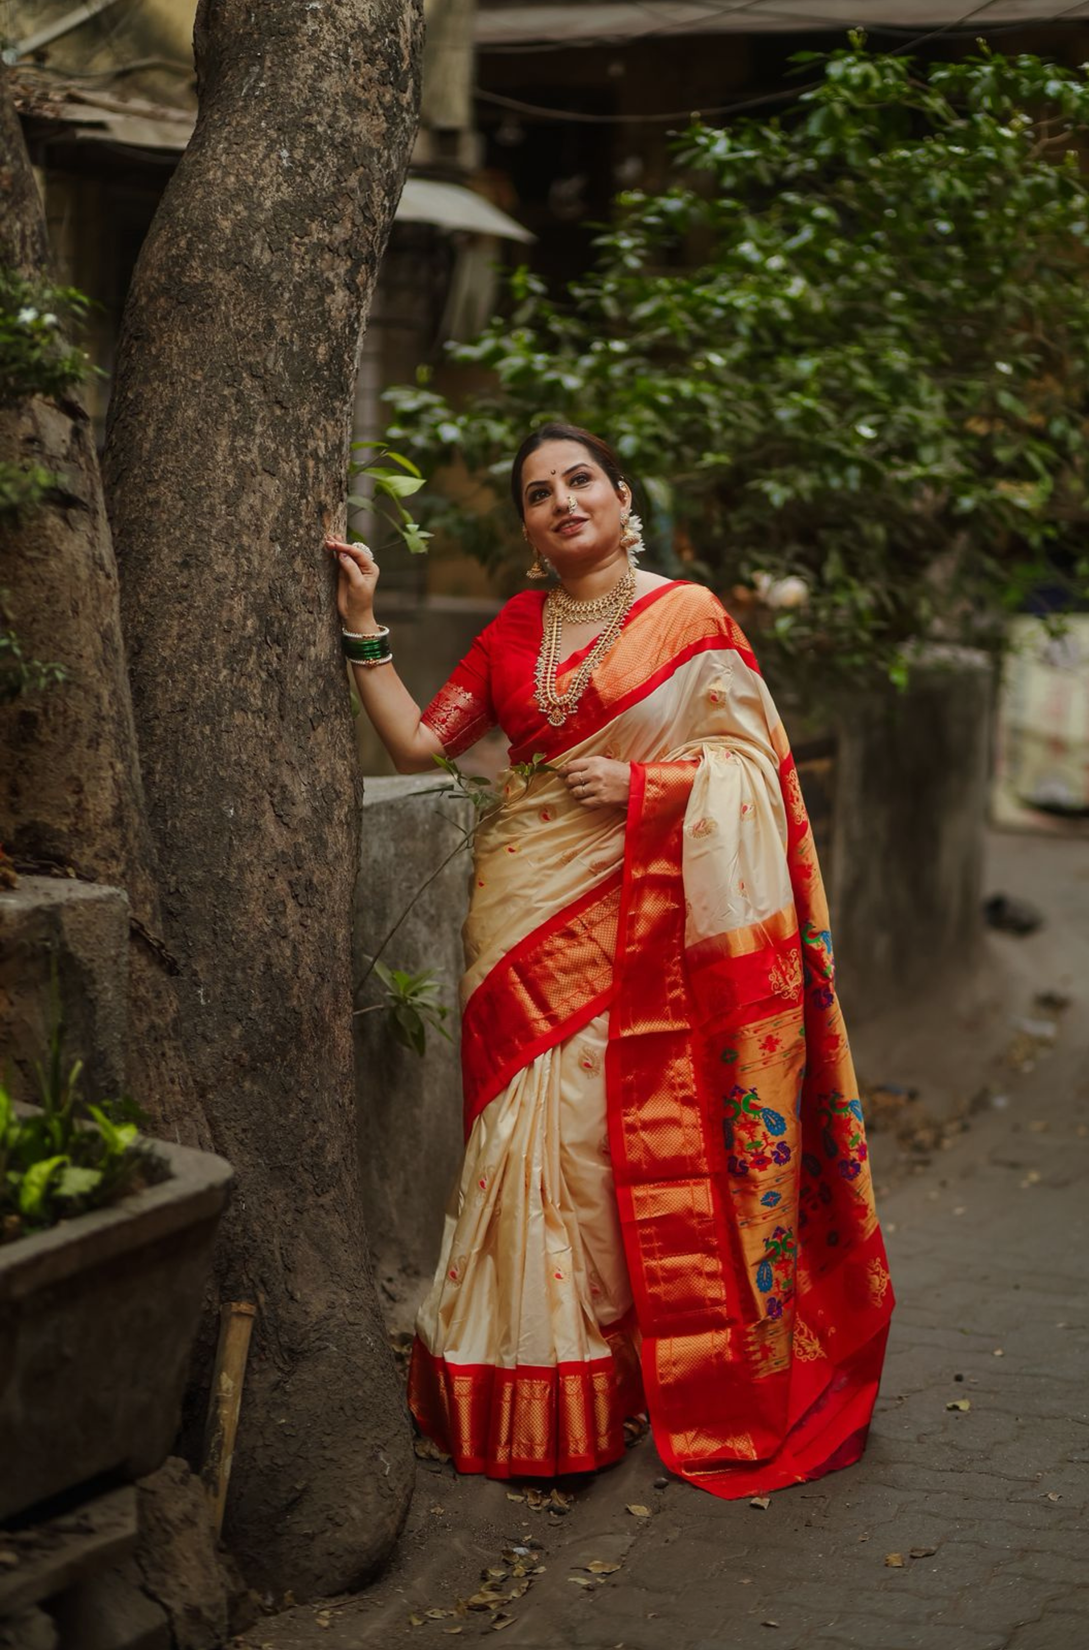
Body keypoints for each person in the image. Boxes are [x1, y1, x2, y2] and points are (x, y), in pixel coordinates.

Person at [326, 421, 894, 1499]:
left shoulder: (688, 617)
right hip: (520, 907)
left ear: (623, 498)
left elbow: (752, 773)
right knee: (518, 1132)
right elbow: (417, 746)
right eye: (539, 494)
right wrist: (362, 627)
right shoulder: (511, 630)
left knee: (598, 1140)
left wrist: (648, 790)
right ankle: (522, 1382)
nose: (563, 501)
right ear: (531, 533)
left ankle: (615, 1370)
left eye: (580, 480)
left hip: (640, 912)